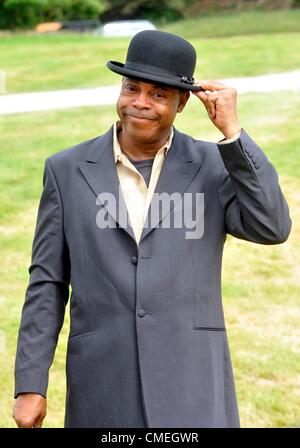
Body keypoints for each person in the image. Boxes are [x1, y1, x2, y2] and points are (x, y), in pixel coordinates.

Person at [13, 30, 291, 428]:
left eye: (158, 94)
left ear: (182, 103)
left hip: (193, 383)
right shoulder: (67, 171)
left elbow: (272, 225)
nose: (140, 103)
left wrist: (233, 135)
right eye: (131, 88)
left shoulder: (213, 165)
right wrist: (30, 384)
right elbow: (47, 282)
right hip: (103, 387)